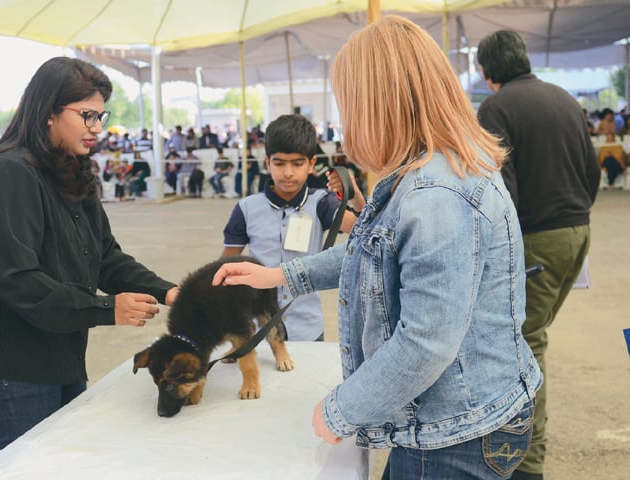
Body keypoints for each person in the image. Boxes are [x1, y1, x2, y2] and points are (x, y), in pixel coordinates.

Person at [213, 16, 542, 479]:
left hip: (454, 433)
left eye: (349, 106)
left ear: (378, 105)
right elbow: (370, 251)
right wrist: (279, 276)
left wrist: (342, 410)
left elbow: (426, 341)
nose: (346, 122)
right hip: (456, 417)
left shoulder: (434, 196)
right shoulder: (428, 171)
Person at [0, 57, 179, 454]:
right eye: (87, 115)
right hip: (13, 361)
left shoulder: (72, 169)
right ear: (48, 113)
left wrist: (171, 292)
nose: (97, 128)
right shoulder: (10, 173)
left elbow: (105, 256)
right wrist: (106, 307)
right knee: (28, 465)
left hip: (60, 350)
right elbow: (16, 277)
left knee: (65, 460)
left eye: (101, 116)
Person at [477, 30, 599, 480]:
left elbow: (499, 187)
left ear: (486, 72)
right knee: (533, 333)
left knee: (524, 342)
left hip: (537, 239)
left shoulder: (495, 108)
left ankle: (527, 463)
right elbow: (591, 170)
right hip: (577, 231)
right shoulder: (564, 98)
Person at [221, 113, 364, 341]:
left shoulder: (322, 204)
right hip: (258, 330)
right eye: (279, 163)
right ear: (267, 163)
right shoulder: (246, 209)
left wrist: (355, 197)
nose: (288, 172)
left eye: (297, 164)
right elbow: (225, 266)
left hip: (307, 328)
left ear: (311, 164)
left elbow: (366, 231)